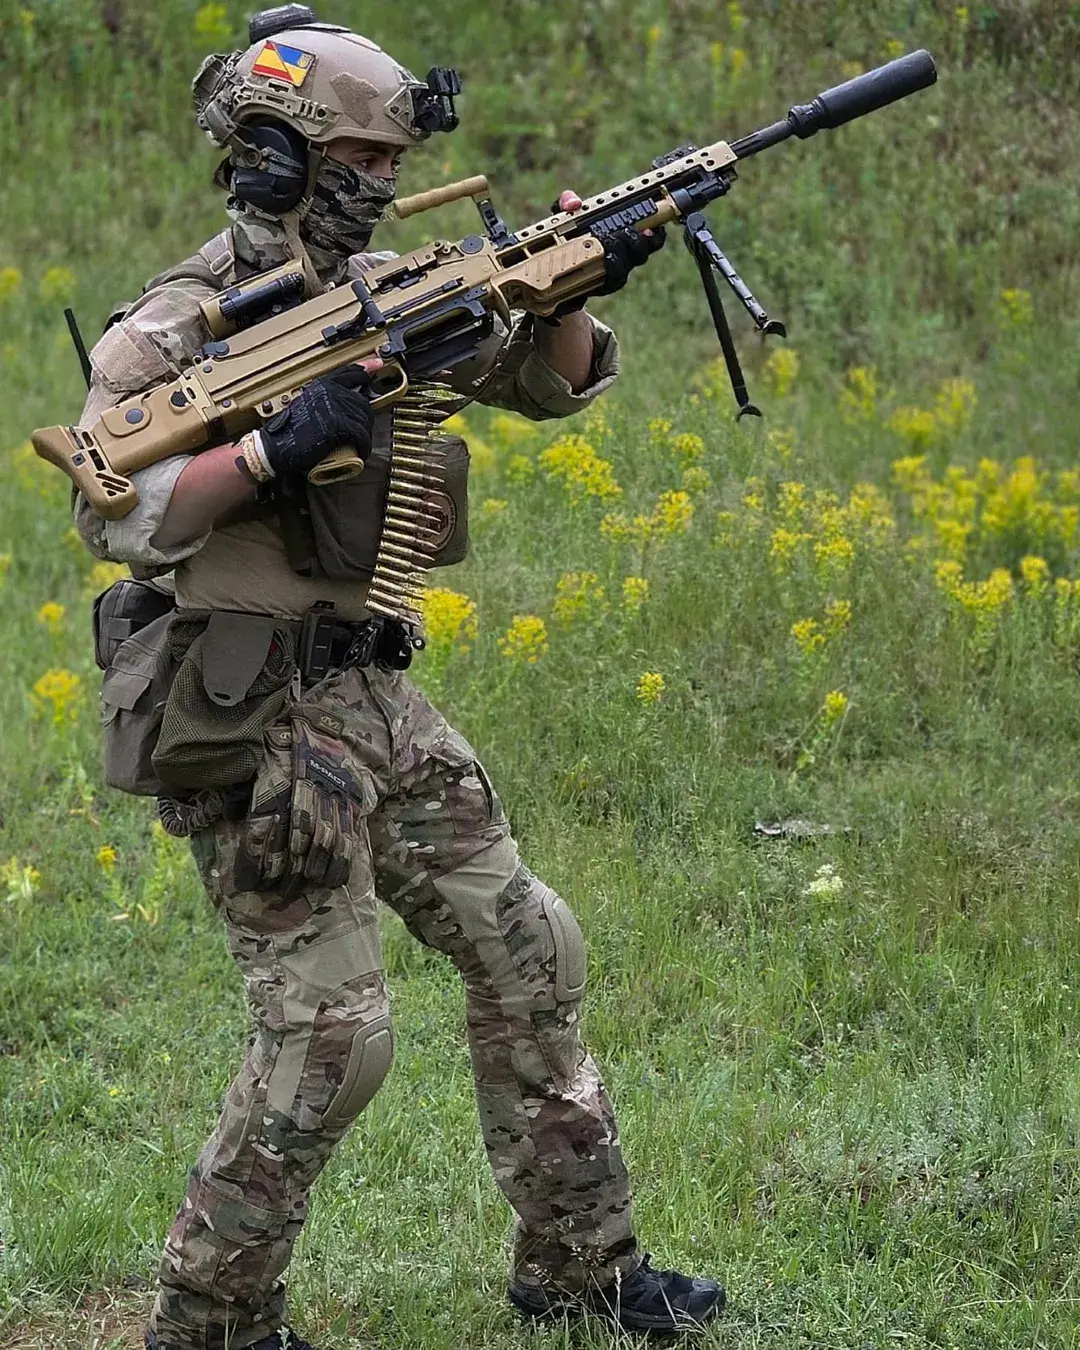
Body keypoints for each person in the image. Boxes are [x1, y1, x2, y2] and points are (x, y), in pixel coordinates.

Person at [72, 8, 724, 1348]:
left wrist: (575, 284)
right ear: (275, 157)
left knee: (530, 945)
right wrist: (269, 453)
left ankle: (582, 1267)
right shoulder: (182, 326)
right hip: (249, 712)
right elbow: (117, 506)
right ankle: (210, 1321)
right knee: (330, 1036)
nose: (378, 179)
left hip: (376, 690)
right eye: (356, 154)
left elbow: (547, 386)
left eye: (389, 154)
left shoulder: (387, 288)